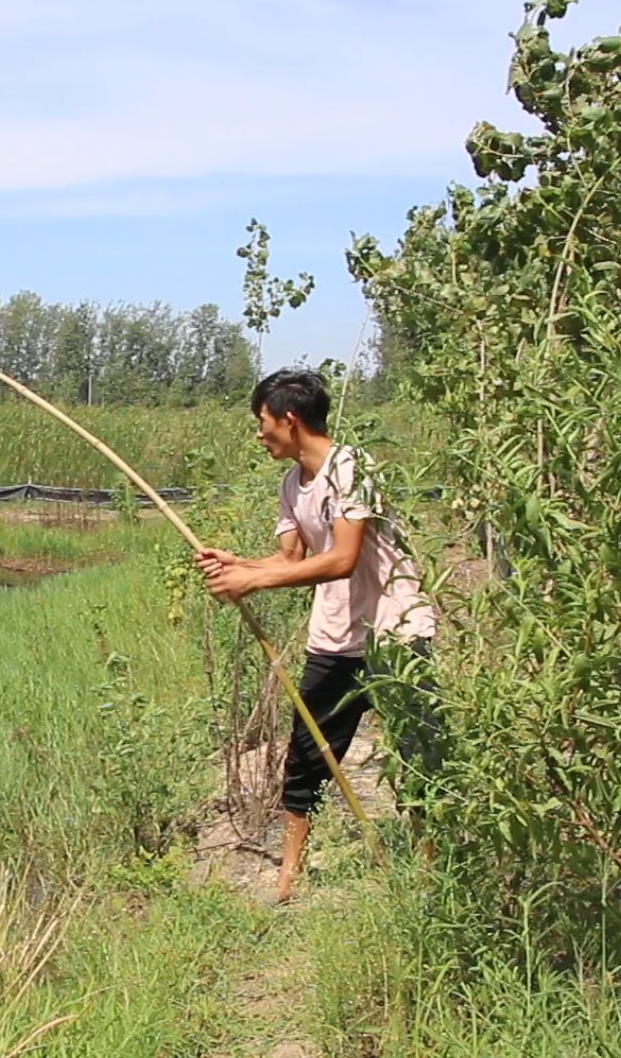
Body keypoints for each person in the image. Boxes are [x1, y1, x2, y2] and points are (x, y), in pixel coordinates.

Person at [196, 369, 437, 904]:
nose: (259, 435)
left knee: (419, 753)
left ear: (289, 419)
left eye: (262, 423)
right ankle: (288, 878)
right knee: (306, 757)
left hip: (396, 631)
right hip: (335, 639)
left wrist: (253, 580)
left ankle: (430, 871)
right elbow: (289, 561)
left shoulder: (352, 469)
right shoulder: (290, 484)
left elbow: (344, 559)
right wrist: (240, 565)